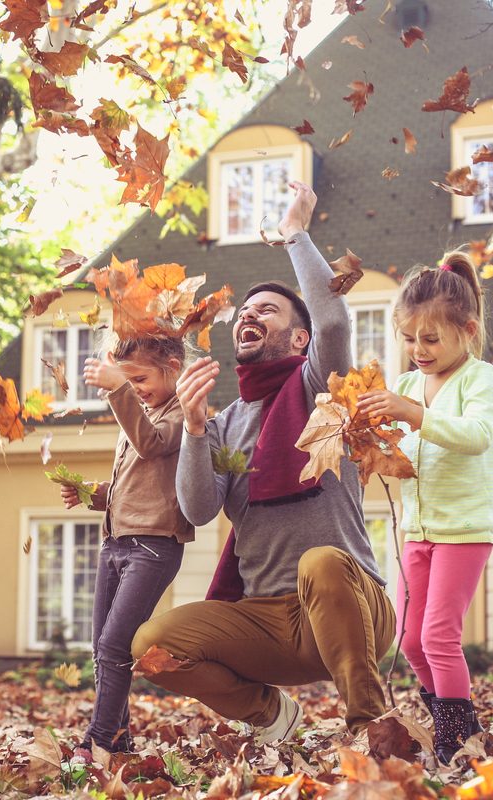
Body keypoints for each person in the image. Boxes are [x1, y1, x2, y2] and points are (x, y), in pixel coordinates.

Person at [130, 181, 395, 743]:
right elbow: (199, 510)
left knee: (320, 562)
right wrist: (196, 429)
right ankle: (271, 716)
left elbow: (333, 323)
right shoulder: (223, 424)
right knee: (150, 645)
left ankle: (373, 725)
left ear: (298, 338)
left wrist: (295, 233)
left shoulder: (320, 385)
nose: (250, 316)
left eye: (267, 311)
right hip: (267, 622)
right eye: (245, 312)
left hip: (353, 607)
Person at [357, 251, 493, 764]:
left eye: (430, 339)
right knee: (411, 639)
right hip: (417, 532)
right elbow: (395, 445)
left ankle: (455, 732)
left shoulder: (480, 379)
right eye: (408, 338)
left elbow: (477, 435)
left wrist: (414, 415)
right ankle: (454, 714)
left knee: (440, 635)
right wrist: (363, 435)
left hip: (463, 530)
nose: (417, 350)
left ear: (465, 330)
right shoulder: (405, 386)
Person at [59, 334, 193, 757]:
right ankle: (119, 740)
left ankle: (97, 739)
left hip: (154, 547)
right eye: (128, 381)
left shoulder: (180, 414)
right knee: (101, 646)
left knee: (116, 644)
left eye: (140, 378)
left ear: (172, 366)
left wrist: (117, 388)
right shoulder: (143, 411)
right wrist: (95, 493)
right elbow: (136, 483)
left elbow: (151, 445)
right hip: (115, 543)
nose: (134, 388)